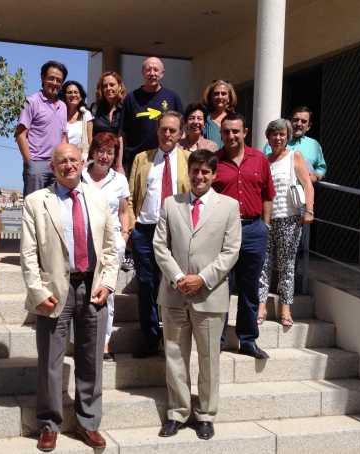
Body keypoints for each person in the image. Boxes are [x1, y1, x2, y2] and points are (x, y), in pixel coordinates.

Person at [20, 143, 119, 452]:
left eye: (73, 160)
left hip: (92, 288)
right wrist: (38, 291)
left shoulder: (99, 198)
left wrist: (108, 282)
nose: (68, 165)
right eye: (61, 161)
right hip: (54, 292)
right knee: (50, 361)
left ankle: (88, 422)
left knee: (91, 360)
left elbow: (111, 248)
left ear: (82, 163)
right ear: (53, 166)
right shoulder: (37, 202)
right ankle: (49, 424)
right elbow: (28, 253)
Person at [154, 149, 241, 440]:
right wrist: (179, 277)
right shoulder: (171, 204)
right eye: (195, 170)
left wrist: (202, 279)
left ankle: (205, 414)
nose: (199, 176)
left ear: (214, 175)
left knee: (208, 359)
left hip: (210, 294)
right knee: (175, 357)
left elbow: (231, 252)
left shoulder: (229, 206)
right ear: (188, 172)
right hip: (174, 293)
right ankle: (177, 412)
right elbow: (160, 246)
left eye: (205, 172)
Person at [212, 112, 275, 359]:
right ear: (221, 133)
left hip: (253, 229)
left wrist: (265, 227)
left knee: (250, 287)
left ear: (245, 132)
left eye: (235, 131)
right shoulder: (215, 160)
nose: (231, 136)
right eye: (226, 131)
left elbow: (268, 195)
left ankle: (248, 340)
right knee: (219, 287)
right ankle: (216, 338)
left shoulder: (259, 159)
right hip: (222, 232)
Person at [128, 111, 190, 357]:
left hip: (177, 231)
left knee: (175, 284)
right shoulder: (142, 159)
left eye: (172, 130)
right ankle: (150, 338)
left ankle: (174, 339)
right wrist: (132, 229)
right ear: (157, 131)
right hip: (145, 230)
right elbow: (131, 196)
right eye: (163, 129)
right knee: (146, 284)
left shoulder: (189, 159)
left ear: (181, 133)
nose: (167, 134)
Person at [258, 119, 314, 326]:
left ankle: (285, 309)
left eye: (282, 134)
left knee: (286, 266)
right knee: (263, 264)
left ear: (287, 136)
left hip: (289, 219)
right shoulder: (264, 160)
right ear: (268, 137)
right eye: (274, 134)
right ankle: (261, 306)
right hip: (266, 219)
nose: (278, 137)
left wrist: (309, 210)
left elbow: (308, 184)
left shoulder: (294, 157)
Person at [82, 132, 130, 361]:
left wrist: (124, 236)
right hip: (82, 242)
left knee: (107, 294)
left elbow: (123, 211)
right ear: (93, 152)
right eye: (100, 151)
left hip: (110, 245)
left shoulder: (119, 180)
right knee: (81, 292)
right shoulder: (80, 176)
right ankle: (82, 340)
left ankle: (104, 342)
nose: (104, 156)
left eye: (109, 153)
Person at [15, 60, 68, 196]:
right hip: (37, 164)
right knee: (34, 207)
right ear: (43, 78)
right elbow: (20, 134)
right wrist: (30, 163)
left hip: (56, 166)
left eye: (59, 80)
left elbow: (63, 137)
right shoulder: (31, 101)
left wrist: (63, 161)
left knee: (55, 209)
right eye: (51, 78)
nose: (55, 83)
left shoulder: (63, 106)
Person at [121, 57, 183, 173]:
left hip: (167, 158)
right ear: (142, 72)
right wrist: (120, 163)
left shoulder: (172, 97)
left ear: (162, 73)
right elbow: (123, 133)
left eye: (156, 70)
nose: (152, 73)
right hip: (137, 159)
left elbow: (182, 130)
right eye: (148, 70)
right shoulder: (131, 98)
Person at [263, 106, 326, 182]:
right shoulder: (276, 141)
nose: (299, 124)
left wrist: (315, 176)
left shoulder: (314, 145)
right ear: (289, 122)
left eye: (303, 121)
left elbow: (321, 168)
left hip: (302, 191)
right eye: (296, 120)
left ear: (308, 126)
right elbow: (266, 164)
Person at [91, 71, 127, 172]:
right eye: (105, 86)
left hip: (122, 161)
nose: (108, 88)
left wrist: (119, 165)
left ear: (119, 86)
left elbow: (123, 137)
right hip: (100, 159)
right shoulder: (95, 108)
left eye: (112, 85)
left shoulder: (126, 107)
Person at [60, 80, 93, 161]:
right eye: (69, 92)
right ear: (64, 96)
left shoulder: (86, 115)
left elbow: (90, 140)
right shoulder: (59, 115)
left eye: (76, 92)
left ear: (81, 96)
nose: (73, 95)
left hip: (82, 160)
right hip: (63, 160)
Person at [202, 79, 238, 149]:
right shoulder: (204, 119)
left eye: (224, 94)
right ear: (210, 97)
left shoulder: (235, 120)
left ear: (229, 98)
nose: (220, 97)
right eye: (216, 94)